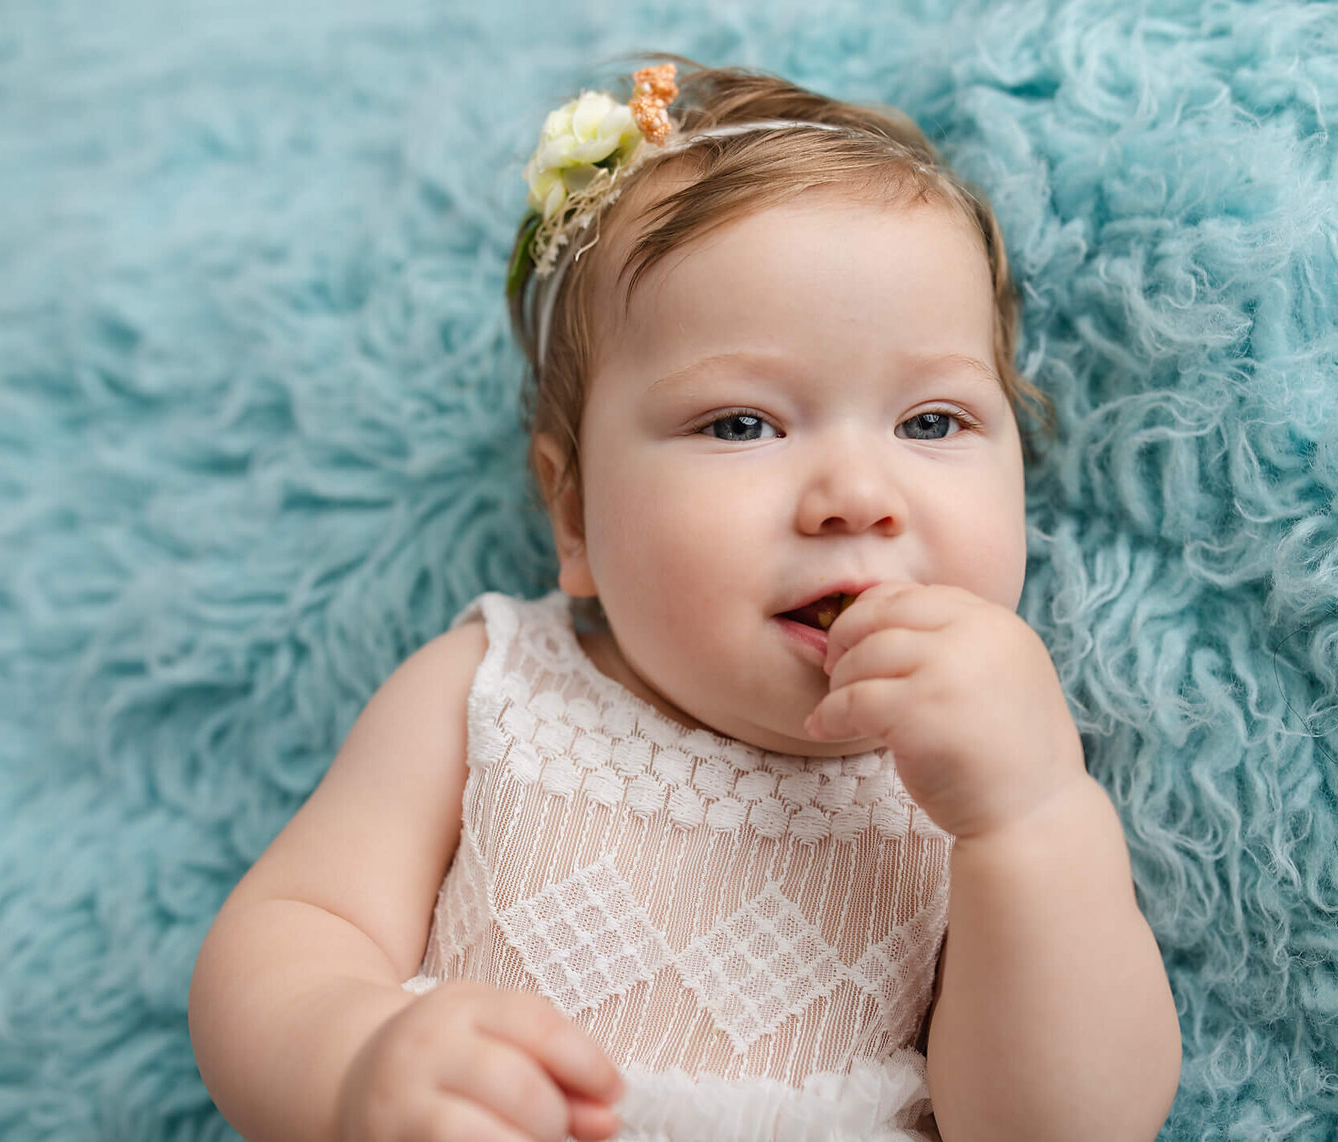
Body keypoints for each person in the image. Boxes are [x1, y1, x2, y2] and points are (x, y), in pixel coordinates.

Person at [188, 57, 1182, 1142]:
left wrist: (1033, 818)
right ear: (572, 518)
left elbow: (1065, 1125)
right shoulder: (493, 692)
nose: (855, 495)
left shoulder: (978, 776)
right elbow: (291, 935)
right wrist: (352, 1066)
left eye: (931, 422)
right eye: (741, 424)